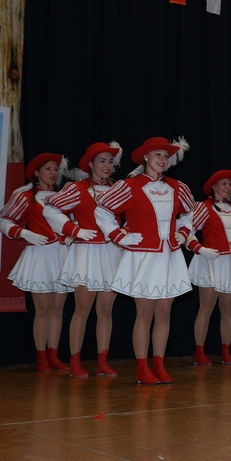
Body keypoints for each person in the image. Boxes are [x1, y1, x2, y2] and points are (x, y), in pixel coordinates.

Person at [95, 136, 194, 384]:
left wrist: (183, 233)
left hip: (169, 255)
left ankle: (159, 364)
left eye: (166, 155)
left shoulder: (177, 187)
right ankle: (142, 368)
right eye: (157, 154)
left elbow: (188, 215)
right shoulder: (130, 185)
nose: (162, 159)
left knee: (164, 312)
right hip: (143, 256)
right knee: (145, 313)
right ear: (146, 157)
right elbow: (102, 210)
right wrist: (119, 236)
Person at [43, 142, 123, 377]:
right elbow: (49, 209)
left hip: (111, 253)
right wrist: (74, 230)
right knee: (82, 309)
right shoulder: (76, 188)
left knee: (106, 310)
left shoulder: (118, 189)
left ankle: (102, 361)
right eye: (102, 161)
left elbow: (133, 214)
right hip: (86, 253)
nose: (107, 165)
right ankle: (75, 361)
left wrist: (124, 234)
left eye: (110, 161)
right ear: (90, 164)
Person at [0, 153, 72, 371]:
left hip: (61, 256)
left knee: (58, 310)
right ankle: (41, 357)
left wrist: (71, 235)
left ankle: (53, 354)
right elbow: (5, 221)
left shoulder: (62, 196)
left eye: (55, 169)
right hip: (40, 256)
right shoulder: (26, 196)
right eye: (48, 168)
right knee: (43, 310)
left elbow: (72, 222)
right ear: (36, 173)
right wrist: (24, 233)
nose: (53, 173)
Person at [186, 170, 231, 366]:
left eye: (230, 184)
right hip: (211, 261)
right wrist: (200, 249)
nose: (227, 187)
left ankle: (226, 351)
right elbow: (187, 232)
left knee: (228, 309)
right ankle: (199, 352)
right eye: (223, 183)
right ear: (214, 186)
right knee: (206, 308)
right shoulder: (203, 207)